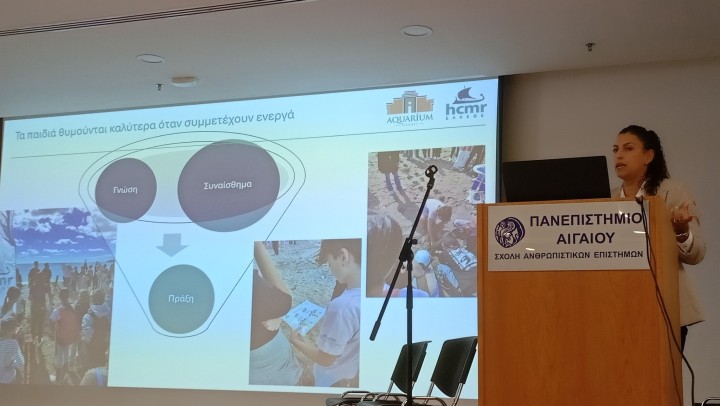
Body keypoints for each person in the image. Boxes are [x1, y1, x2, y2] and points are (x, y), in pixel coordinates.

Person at [612, 124, 706, 350]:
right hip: (616, 306)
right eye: (615, 149)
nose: (619, 155)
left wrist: (681, 231)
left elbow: (697, 254)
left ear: (648, 156)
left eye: (628, 148)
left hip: (665, 307)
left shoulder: (673, 192)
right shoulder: (606, 198)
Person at [290, 238, 361, 387]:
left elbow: (325, 359)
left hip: (332, 379)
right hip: (350, 372)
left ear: (343, 257)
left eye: (329, 263)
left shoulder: (342, 307)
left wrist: (296, 341)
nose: (331, 269)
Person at [249, 241, 303, 386]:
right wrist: (257, 245)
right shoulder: (247, 281)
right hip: (271, 372)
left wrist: (277, 317)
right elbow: (285, 300)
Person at [50, 287, 80, 385]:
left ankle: (58, 379)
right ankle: (63, 377)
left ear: (60, 297)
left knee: (59, 357)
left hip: (60, 338)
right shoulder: (73, 308)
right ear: (68, 296)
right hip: (69, 337)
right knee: (66, 355)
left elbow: (51, 321)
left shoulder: (58, 310)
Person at [81, 289, 111, 371]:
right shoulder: (108, 314)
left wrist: (85, 344)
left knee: (93, 368)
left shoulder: (88, 316)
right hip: (104, 345)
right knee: (102, 366)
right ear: (103, 300)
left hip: (93, 347)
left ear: (92, 300)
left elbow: (87, 334)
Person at [28, 261, 52, 344]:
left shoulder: (33, 286)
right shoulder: (45, 286)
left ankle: (33, 338)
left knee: (33, 322)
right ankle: (40, 339)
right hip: (42, 305)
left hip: (34, 305)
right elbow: (50, 295)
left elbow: (29, 298)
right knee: (41, 322)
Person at [0, 318, 24, 384]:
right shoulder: (13, 343)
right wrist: (12, 363)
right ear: (13, 330)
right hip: (8, 380)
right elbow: (21, 364)